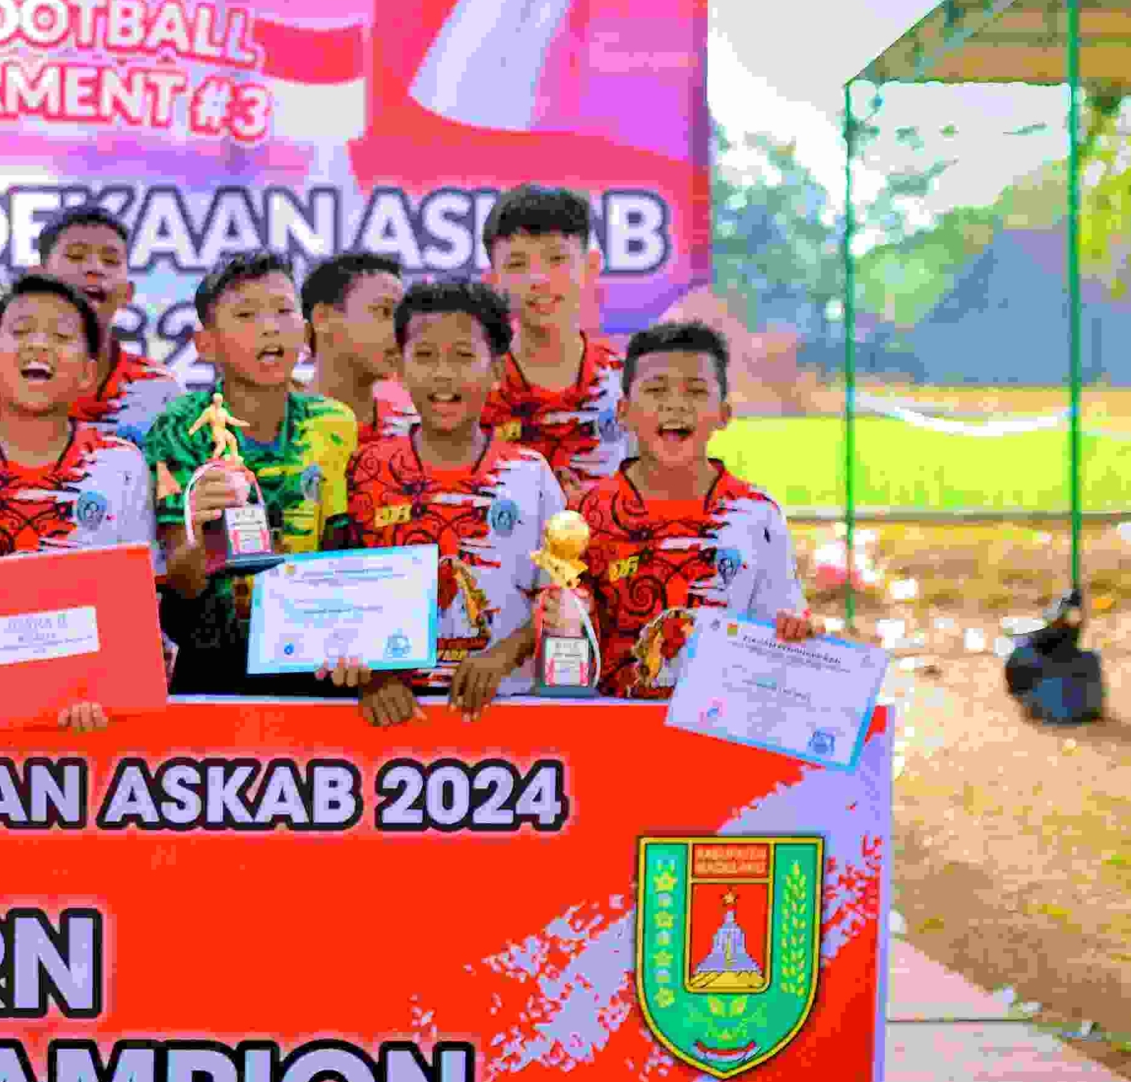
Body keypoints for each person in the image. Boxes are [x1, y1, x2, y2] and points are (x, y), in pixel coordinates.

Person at [0, 275, 157, 730]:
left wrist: (108, 686)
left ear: (88, 373)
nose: (39, 345)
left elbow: (140, 607)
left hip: (89, 726)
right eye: (21, 332)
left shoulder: (122, 464)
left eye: (61, 336)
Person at [327, 280, 564, 726]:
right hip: (390, 719)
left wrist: (503, 656)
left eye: (463, 356)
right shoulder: (364, 469)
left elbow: (562, 596)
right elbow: (337, 598)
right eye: (425, 355)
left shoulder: (531, 474)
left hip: (507, 715)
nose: (443, 373)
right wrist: (374, 678)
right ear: (399, 366)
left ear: (496, 370)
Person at [556, 320, 816, 702]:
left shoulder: (756, 512)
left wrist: (796, 631)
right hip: (612, 728)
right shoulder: (583, 515)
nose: (675, 404)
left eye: (695, 391)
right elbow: (566, 642)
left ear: (724, 413)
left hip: (721, 725)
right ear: (623, 412)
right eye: (656, 389)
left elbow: (780, 623)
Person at [143, 250, 358, 696]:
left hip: (318, 666)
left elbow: (343, 554)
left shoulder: (334, 423)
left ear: (306, 332)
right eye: (245, 315)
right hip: (213, 672)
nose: (269, 327)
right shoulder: (180, 427)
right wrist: (204, 538)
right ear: (206, 344)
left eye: (283, 310)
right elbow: (181, 581)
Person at [0, 205, 180, 444]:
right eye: (76, 256)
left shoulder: (159, 390)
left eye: (110, 260)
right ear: (39, 278)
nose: (95, 269)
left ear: (128, 292)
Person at [480, 184, 631, 506]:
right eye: (517, 264)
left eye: (557, 259)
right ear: (493, 278)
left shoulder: (628, 381)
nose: (539, 279)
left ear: (590, 266)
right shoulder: (473, 385)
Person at [300, 251, 406, 438]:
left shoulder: (414, 429)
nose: (400, 330)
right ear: (323, 318)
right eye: (384, 311)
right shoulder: (271, 434)